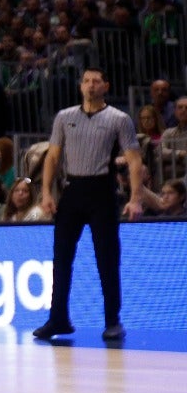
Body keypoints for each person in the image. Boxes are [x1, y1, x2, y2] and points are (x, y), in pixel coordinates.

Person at [32, 67, 145, 343]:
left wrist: (135, 198)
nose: (91, 85)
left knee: (106, 258)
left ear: (105, 85)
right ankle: (58, 317)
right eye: (86, 81)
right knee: (61, 258)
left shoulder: (118, 118)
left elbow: (134, 160)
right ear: (80, 86)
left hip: (102, 191)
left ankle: (112, 320)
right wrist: (46, 193)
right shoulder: (65, 117)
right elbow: (52, 157)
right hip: (72, 190)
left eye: (96, 81)